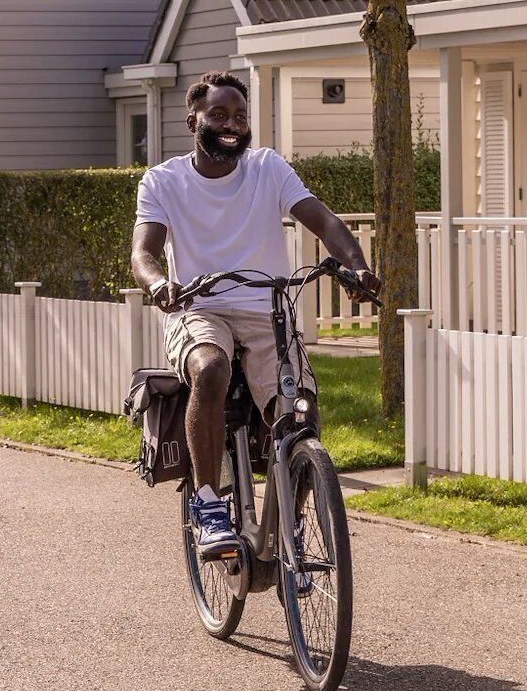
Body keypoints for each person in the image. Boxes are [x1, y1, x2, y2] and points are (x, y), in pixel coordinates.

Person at [129, 70, 378, 558]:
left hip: (268, 310)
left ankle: (291, 520)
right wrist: (160, 284)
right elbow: (144, 254)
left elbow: (322, 220)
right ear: (192, 119)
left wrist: (358, 267)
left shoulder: (267, 168)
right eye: (218, 114)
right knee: (211, 368)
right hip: (198, 307)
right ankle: (207, 504)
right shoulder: (163, 180)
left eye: (240, 116)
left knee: (301, 411)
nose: (232, 124)